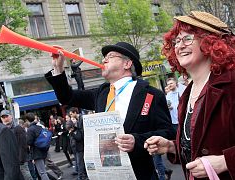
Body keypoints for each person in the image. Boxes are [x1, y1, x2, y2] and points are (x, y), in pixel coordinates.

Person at [144, 11, 235, 180]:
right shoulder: (187, 94)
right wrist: (171, 146)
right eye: (176, 41)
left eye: (187, 39)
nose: (179, 45)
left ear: (210, 43)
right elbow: (201, 144)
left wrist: (225, 162)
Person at [45, 42, 173, 179]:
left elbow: (167, 132)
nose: (103, 60)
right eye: (104, 57)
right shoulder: (102, 92)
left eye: (110, 56)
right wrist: (58, 69)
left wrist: (137, 141)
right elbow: (67, 97)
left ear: (127, 64)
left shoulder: (151, 95)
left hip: (139, 174)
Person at [0, 109, 33, 180]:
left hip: (20, 161)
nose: (5, 119)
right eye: (3, 117)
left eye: (7, 116)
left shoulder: (17, 128)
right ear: (1, 119)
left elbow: (23, 145)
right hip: (11, 162)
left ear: (11, 116)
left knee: (27, 177)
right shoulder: (3, 130)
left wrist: (21, 160)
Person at [26, 112, 49, 180]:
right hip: (43, 150)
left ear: (27, 120)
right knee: (43, 171)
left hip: (36, 153)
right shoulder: (39, 127)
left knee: (42, 173)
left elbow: (29, 142)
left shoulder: (30, 129)